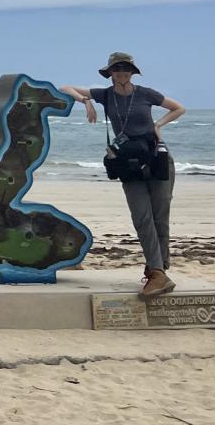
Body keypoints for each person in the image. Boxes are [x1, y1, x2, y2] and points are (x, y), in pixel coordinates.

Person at [61, 52, 185, 298]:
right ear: (110, 73)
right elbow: (65, 88)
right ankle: (158, 273)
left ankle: (157, 271)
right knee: (142, 217)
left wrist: (158, 125)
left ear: (132, 71)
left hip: (156, 158)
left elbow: (178, 108)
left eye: (126, 68)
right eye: (117, 68)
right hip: (127, 163)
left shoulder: (146, 94)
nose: (122, 72)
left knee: (160, 216)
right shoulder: (104, 95)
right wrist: (85, 101)